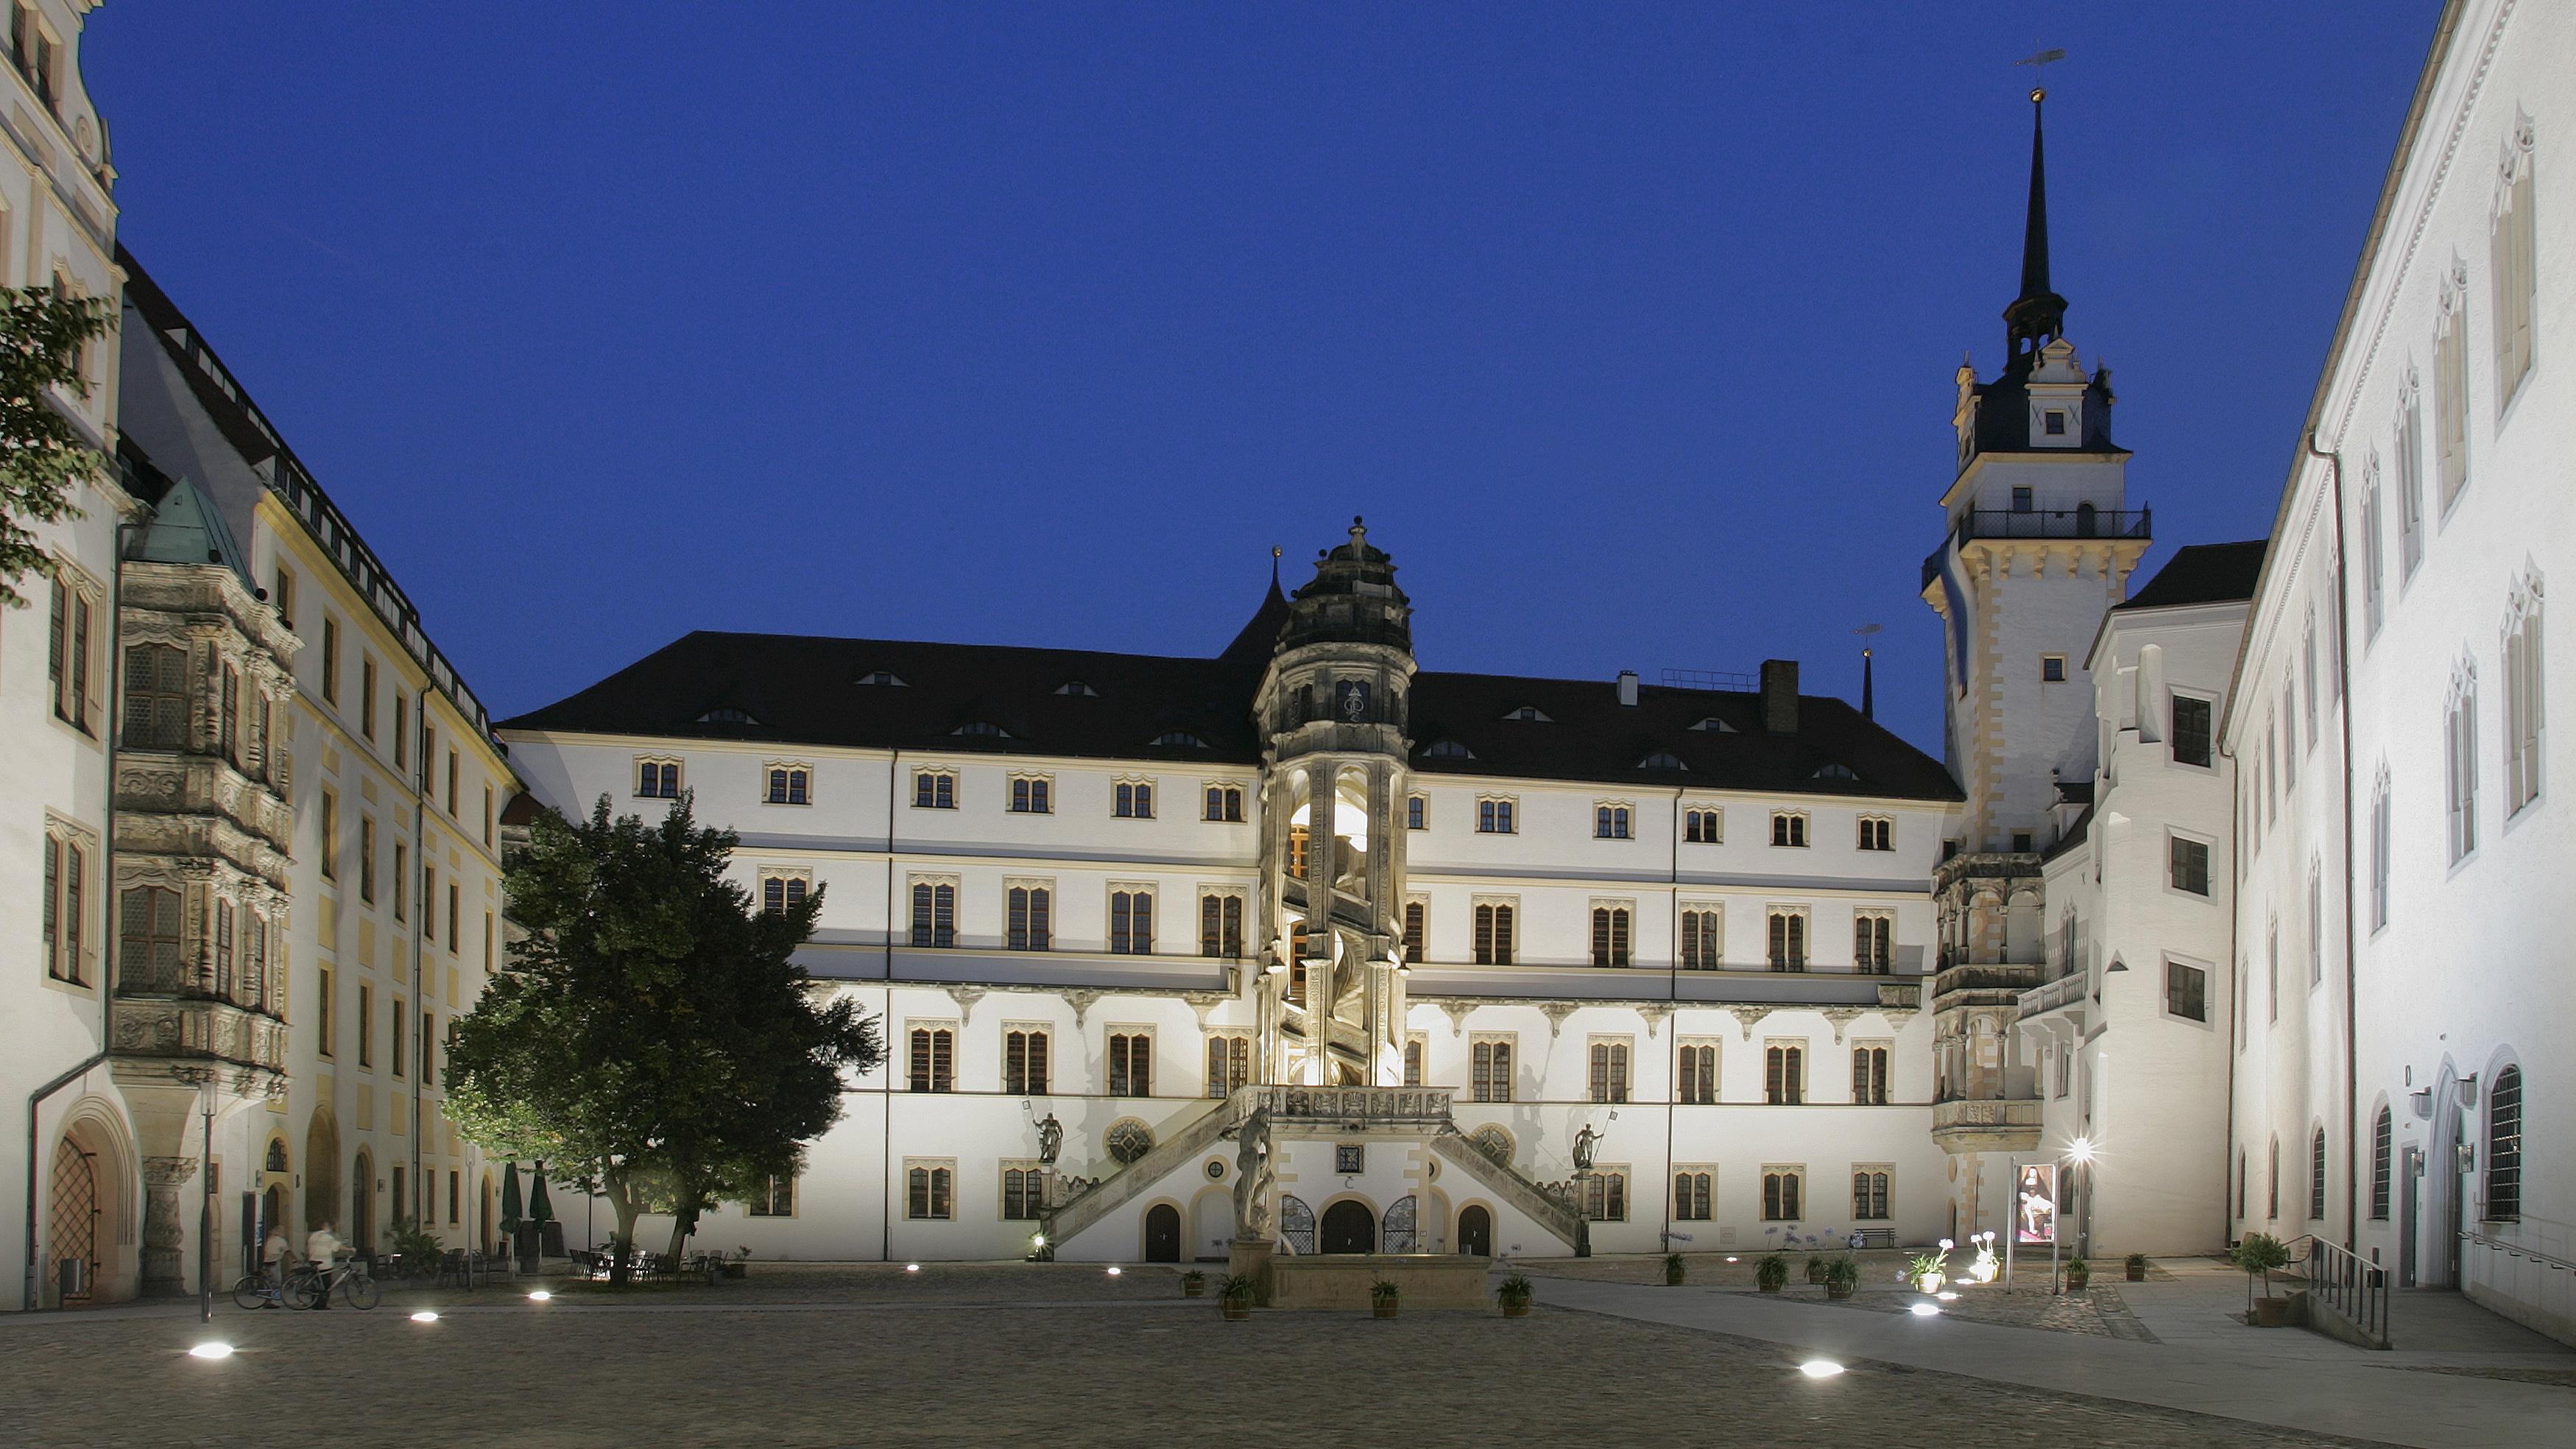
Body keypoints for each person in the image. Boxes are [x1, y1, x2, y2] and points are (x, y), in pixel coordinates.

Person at [305, 1220, 347, 1309]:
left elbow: (308, 1247)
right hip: (325, 1264)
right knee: (326, 1285)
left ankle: (314, 1304)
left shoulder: (313, 1236)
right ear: (326, 1227)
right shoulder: (328, 1237)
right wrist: (350, 1249)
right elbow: (338, 1247)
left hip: (313, 1261)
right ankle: (322, 1305)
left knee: (315, 1284)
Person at [260, 1224, 292, 1306]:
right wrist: (296, 1260)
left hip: (266, 1262)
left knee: (268, 1282)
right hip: (274, 1263)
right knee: (277, 1282)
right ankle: (271, 1301)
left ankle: (268, 1301)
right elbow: (288, 1251)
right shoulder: (281, 1240)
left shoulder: (270, 1239)